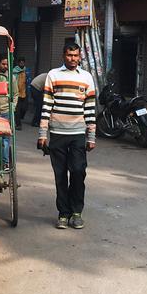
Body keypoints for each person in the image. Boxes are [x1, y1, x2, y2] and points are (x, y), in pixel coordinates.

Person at [38, 41, 97, 230]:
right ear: (63, 56)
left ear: (80, 57)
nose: (73, 59)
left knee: (78, 172)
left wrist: (91, 136)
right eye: (70, 55)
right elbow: (47, 105)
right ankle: (63, 214)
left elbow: (89, 108)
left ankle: (77, 212)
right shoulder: (53, 75)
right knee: (60, 175)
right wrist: (42, 133)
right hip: (57, 133)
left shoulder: (87, 77)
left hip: (78, 133)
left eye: (76, 56)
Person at [13, 55, 29, 130]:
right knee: (18, 110)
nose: (22, 64)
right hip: (16, 93)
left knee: (24, 108)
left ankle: (18, 120)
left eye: (23, 63)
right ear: (18, 63)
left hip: (24, 92)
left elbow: (28, 80)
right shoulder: (14, 71)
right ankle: (18, 124)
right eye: (21, 63)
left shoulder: (26, 70)